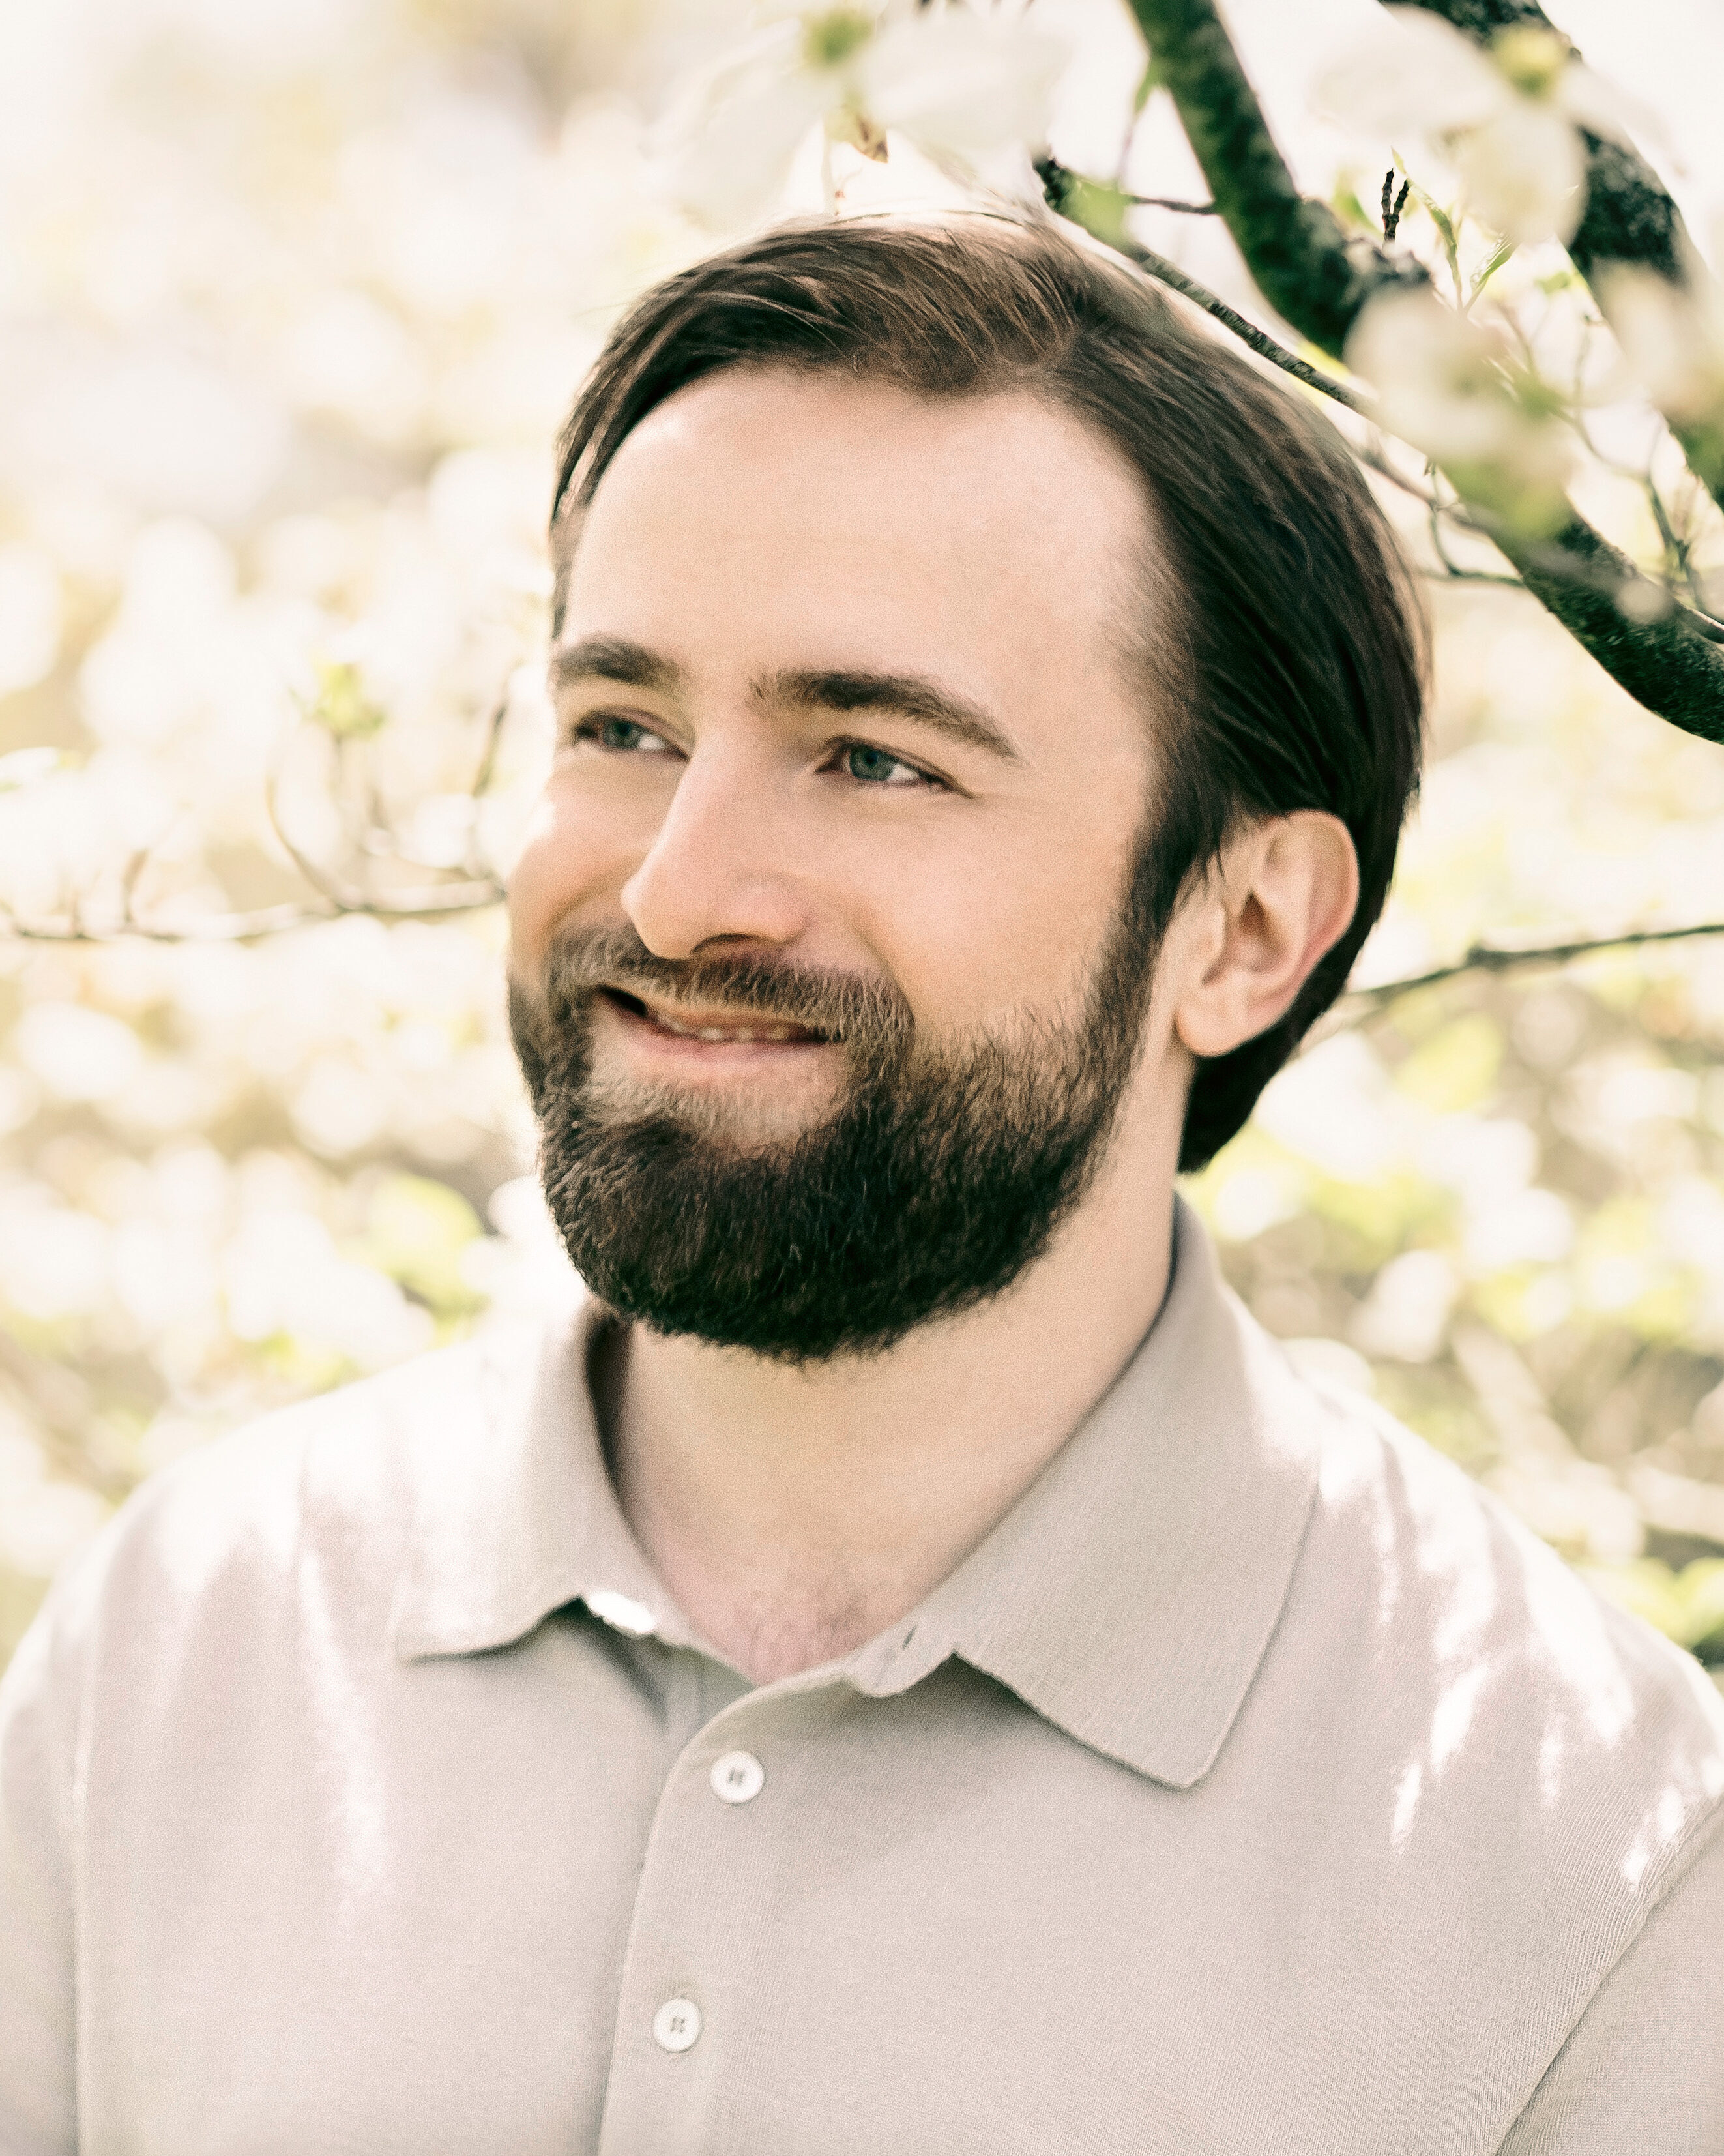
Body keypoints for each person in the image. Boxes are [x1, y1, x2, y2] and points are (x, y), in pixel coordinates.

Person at [2, 214, 1720, 2155]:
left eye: (874, 758)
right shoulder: (188, 1636)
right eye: (624, 729)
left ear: (1242, 928)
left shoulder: (1591, 1867)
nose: (677, 892)